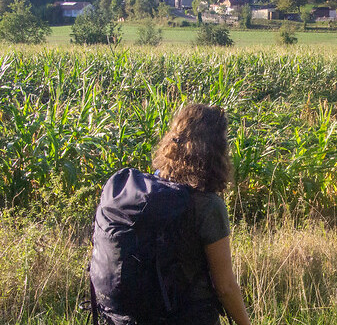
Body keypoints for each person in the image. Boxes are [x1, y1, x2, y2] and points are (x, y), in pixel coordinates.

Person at [92, 104, 251, 325]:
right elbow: (225, 287)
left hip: (126, 317)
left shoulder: (147, 195)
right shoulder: (207, 206)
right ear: (216, 150)